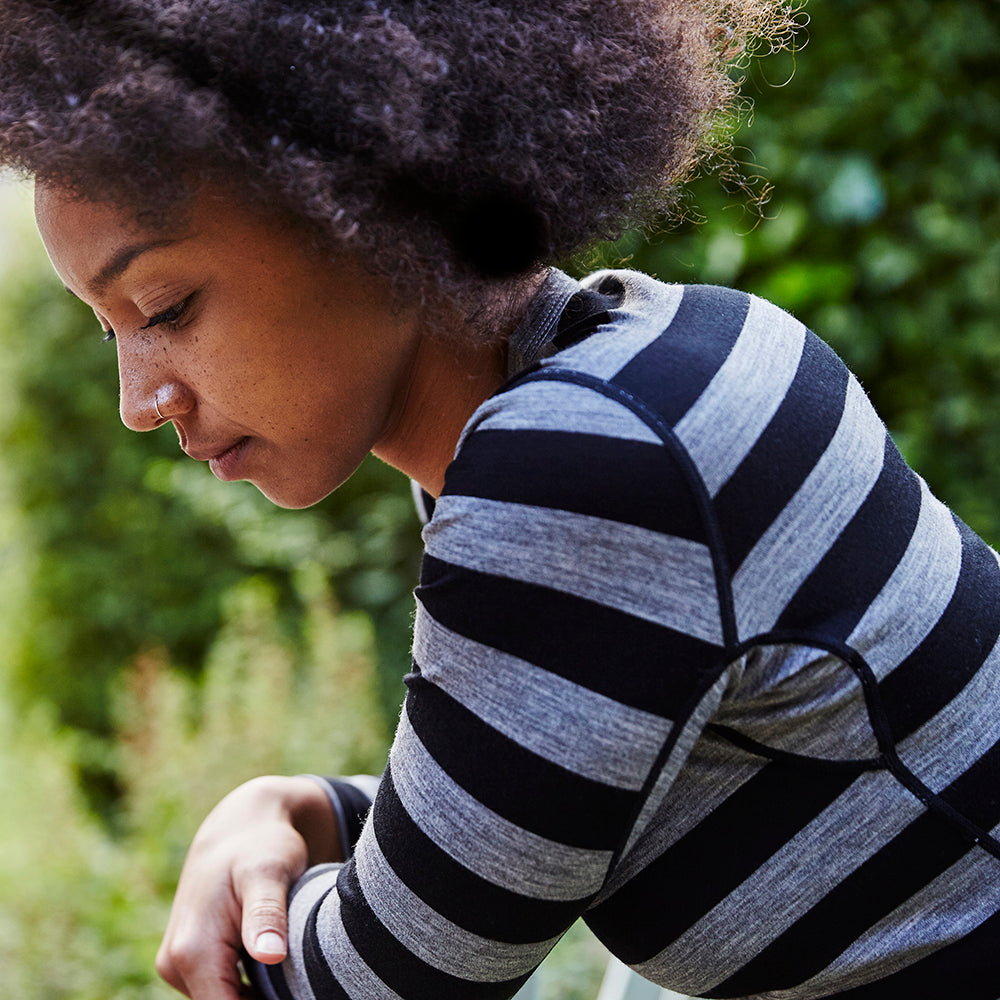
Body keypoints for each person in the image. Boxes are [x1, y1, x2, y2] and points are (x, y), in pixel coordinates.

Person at [2, 2, 999, 999]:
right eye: (108, 329)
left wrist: (254, 910)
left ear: (360, 193)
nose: (139, 403)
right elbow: (573, 788)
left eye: (166, 308)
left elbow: (380, 984)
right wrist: (306, 809)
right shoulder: (643, 360)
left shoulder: (583, 459)